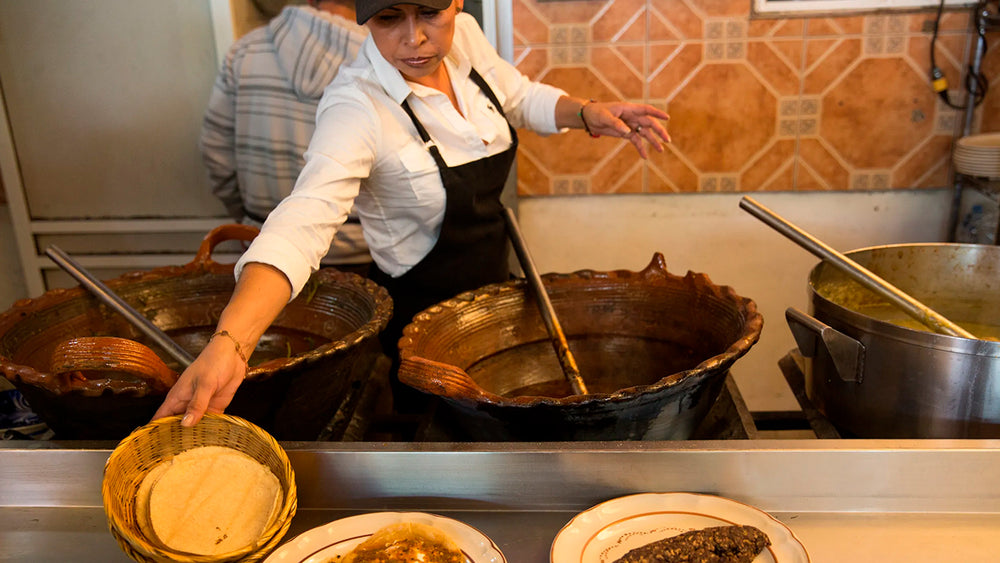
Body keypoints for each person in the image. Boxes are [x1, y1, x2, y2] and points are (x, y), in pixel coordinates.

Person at [153, 0, 671, 427]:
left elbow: (517, 97)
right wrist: (230, 343)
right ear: (363, 16)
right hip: (422, 320)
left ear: (457, 5)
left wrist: (584, 113)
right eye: (388, 18)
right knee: (449, 435)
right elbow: (303, 220)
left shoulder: (465, 37)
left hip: (494, 289)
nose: (414, 39)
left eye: (429, 13)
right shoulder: (356, 104)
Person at [199, 0, 372, 274]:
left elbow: (216, 154)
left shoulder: (244, 51)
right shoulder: (385, 59)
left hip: (266, 252)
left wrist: (254, 221)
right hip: (365, 253)